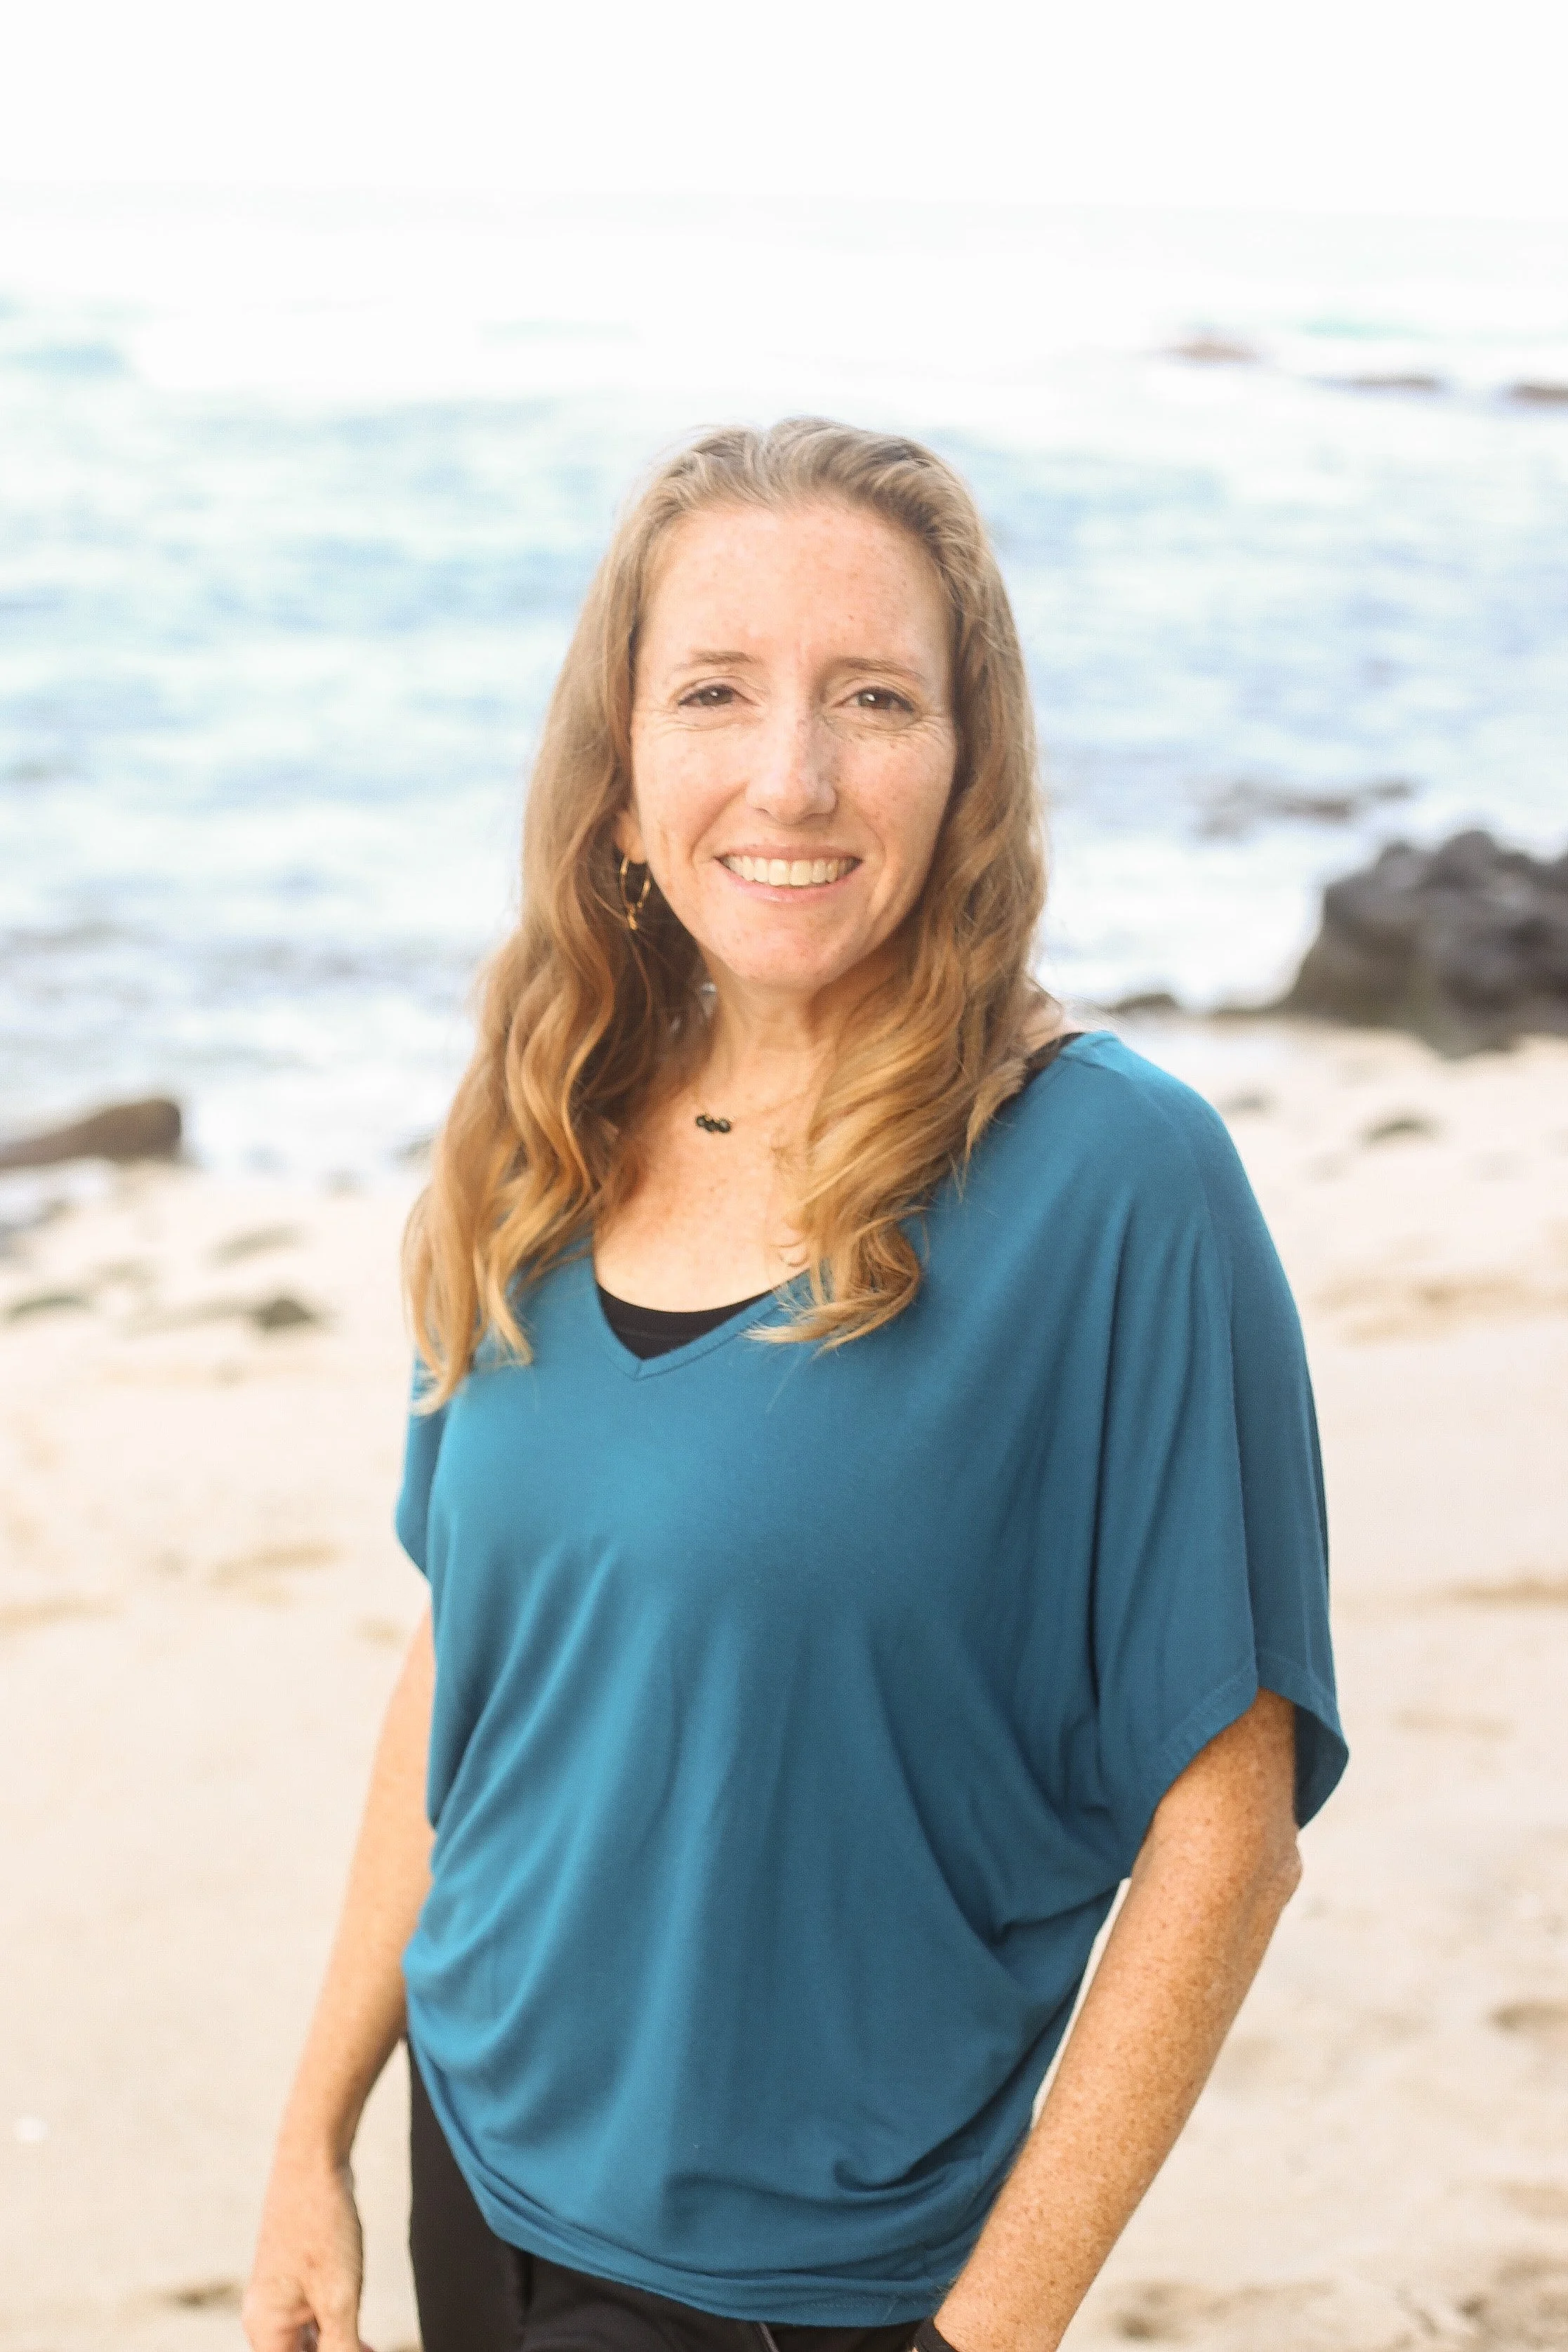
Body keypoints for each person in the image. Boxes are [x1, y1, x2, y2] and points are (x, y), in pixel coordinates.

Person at [243, 418, 1345, 2352]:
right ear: (620, 769)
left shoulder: (1117, 1183)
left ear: (967, 764)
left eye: (873, 697)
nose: (794, 776)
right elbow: (470, 1673)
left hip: (794, 2284)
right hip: (474, 2159)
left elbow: (1227, 1822)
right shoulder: (539, 1124)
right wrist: (310, 2125)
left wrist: (984, 2334)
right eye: (719, 693)